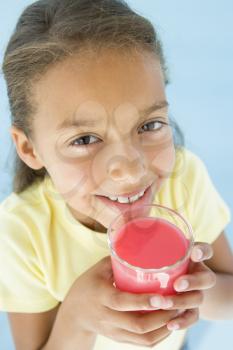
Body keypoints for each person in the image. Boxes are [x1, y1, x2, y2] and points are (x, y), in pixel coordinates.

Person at [0, 1, 232, 349]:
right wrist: (76, 315)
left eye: (149, 125)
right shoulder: (22, 234)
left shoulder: (184, 182)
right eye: (85, 139)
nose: (130, 169)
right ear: (31, 149)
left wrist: (194, 289)